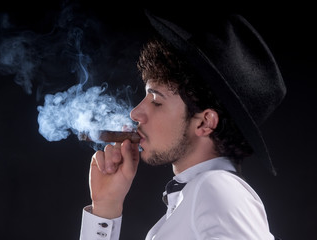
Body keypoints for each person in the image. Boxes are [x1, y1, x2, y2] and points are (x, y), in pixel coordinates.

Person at [79, 10, 286, 240]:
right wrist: (106, 208)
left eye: (156, 101)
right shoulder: (197, 197)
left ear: (205, 122)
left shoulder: (216, 187)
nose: (136, 112)